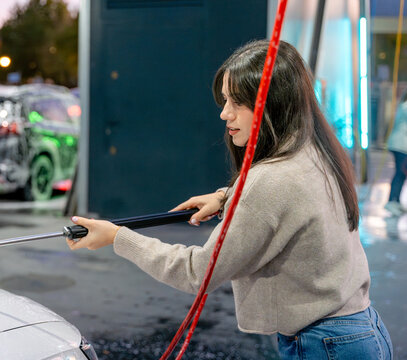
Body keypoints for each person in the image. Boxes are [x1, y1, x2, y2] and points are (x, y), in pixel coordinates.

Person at [66, 40, 393, 359]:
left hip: (323, 345)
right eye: (224, 100)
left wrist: (117, 237)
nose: (225, 114)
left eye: (237, 102)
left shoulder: (269, 180)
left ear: (272, 102)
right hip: (359, 330)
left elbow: (198, 272)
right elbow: (291, 201)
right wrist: (227, 196)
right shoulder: (314, 149)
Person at [385, 93, 407, 216]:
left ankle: (396, 201)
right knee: (400, 173)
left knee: (401, 173)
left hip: (400, 145)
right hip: (401, 146)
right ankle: (392, 201)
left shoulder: (403, 105)